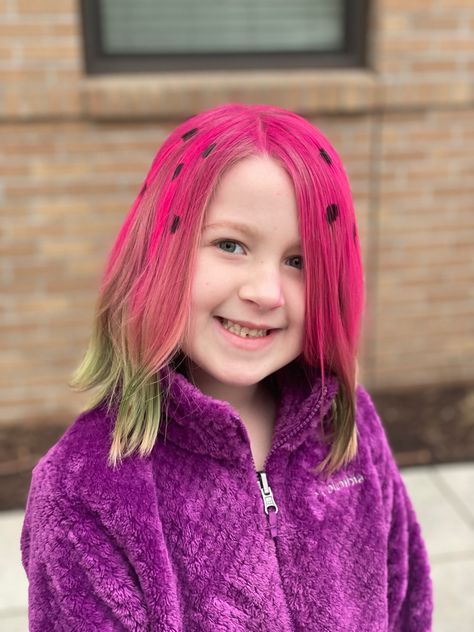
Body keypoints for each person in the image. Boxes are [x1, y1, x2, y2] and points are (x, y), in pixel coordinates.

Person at [20, 103, 433, 631]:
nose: (264, 293)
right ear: (159, 252)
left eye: (299, 262)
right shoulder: (84, 487)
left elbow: (406, 605)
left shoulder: (345, 426)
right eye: (230, 245)